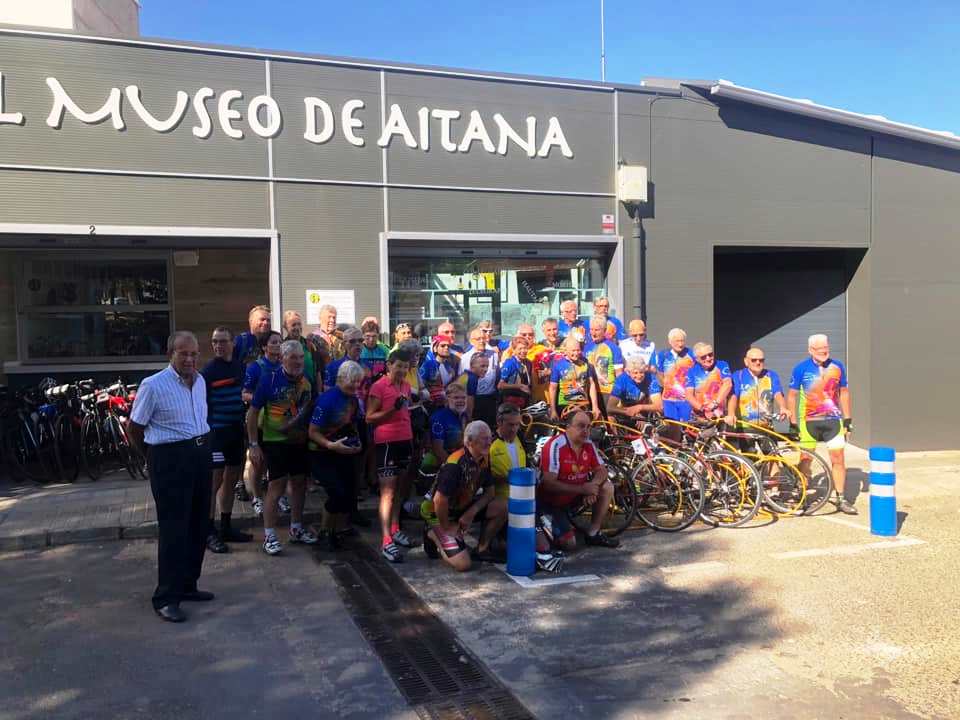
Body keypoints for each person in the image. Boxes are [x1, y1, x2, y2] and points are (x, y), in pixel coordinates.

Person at [128, 331, 214, 623]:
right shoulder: (153, 385)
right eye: (183, 353)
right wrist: (152, 458)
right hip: (170, 459)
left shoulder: (200, 381)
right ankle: (166, 598)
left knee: (199, 524)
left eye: (194, 354)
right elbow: (134, 428)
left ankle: (188, 585)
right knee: (174, 529)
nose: (189, 359)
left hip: (200, 454)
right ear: (170, 354)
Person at [246, 340, 318, 556]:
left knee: (299, 484)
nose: (298, 361)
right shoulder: (269, 379)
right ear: (282, 358)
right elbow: (252, 413)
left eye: (300, 357)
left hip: (299, 441)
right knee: (276, 486)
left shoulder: (306, 380)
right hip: (275, 441)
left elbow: (309, 409)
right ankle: (269, 536)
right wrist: (254, 444)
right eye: (293, 357)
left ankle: (296, 528)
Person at [421, 421, 507, 570]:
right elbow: (439, 500)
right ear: (469, 442)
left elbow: (490, 492)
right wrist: (447, 527)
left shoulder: (484, 458)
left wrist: (470, 513)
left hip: (460, 506)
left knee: (503, 506)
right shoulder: (455, 464)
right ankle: (432, 532)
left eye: (490, 438)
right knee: (463, 564)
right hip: (436, 512)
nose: (489, 442)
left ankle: (482, 549)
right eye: (483, 438)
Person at [787, 334, 856, 515]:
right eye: (819, 349)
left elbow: (844, 392)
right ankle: (801, 495)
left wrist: (848, 419)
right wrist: (792, 422)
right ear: (810, 350)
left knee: (838, 458)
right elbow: (792, 396)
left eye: (826, 348)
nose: (824, 352)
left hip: (833, 421)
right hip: (809, 421)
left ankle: (841, 498)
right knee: (805, 459)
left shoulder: (837, 366)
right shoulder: (801, 368)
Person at [200, 327, 253, 553]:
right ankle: (208, 531)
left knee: (232, 479)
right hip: (216, 433)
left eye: (222, 341)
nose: (218, 345)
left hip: (236, 431)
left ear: (232, 343)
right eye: (214, 341)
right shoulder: (208, 371)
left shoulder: (240, 367)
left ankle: (226, 526)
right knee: (214, 482)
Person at [537, 410, 619, 550]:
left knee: (607, 487)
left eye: (588, 427)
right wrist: (583, 489)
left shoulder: (588, 444)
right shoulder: (556, 445)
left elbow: (602, 470)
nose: (586, 431)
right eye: (581, 426)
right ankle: (548, 528)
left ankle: (593, 533)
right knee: (569, 544)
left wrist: (592, 486)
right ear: (568, 427)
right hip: (551, 502)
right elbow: (548, 484)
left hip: (574, 497)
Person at [366, 349, 419, 562]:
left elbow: (405, 409)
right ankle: (386, 539)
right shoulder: (378, 386)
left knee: (400, 489)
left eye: (405, 367)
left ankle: (395, 528)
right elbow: (369, 417)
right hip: (386, 442)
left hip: (405, 439)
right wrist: (391, 411)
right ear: (389, 365)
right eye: (398, 366)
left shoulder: (405, 385)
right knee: (387, 492)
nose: (402, 370)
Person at [308, 360, 364, 551]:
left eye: (358, 382)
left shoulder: (353, 399)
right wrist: (330, 445)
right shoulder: (327, 400)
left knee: (348, 492)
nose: (356, 386)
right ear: (340, 379)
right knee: (336, 493)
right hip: (321, 453)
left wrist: (357, 441)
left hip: (343, 451)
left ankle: (338, 529)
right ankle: (325, 532)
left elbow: (353, 424)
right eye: (353, 381)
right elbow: (313, 431)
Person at [240, 330, 282, 517]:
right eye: (273, 342)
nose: (277, 345)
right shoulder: (255, 367)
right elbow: (244, 393)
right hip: (259, 421)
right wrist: (263, 399)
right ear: (264, 346)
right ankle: (257, 497)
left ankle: (278, 496)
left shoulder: (284, 365)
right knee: (258, 462)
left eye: (279, 342)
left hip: (279, 422)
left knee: (276, 462)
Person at [725, 347, 788, 428]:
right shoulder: (738, 375)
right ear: (746, 361)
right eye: (754, 360)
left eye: (761, 360)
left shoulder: (771, 375)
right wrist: (731, 414)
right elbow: (733, 396)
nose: (758, 363)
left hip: (766, 427)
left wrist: (783, 407)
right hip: (744, 428)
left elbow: (778, 393)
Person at [547, 335, 601, 421]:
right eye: (573, 351)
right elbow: (553, 388)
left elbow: (592, 385)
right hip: (565, 405)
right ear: (566, 351)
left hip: (583, 404)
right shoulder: (558, 365)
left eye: (578, 350)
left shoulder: (586, 365)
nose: (576, 353)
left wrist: (595, 407)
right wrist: (553, 410)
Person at [653, 328, 696, 424]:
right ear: (670, 341)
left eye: (682, 341)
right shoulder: (663, 354)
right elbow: (660, 373)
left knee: (686, 426)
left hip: (686, 399)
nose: (680, 344)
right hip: (668, 400)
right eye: (677, 341)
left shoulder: (691, 354)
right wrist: (667, 387)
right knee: (671, 425)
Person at [460, 326, 499, 428]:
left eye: (483, 338)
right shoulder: (465, 358)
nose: (482, 341)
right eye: (478, 339)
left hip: (489, 399)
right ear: (471, 341)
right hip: (473, 399)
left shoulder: (494, 355)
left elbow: (496, 375)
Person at [685, 342, 733, 420]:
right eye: (703, 357)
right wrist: (702, 408)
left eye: (710, 354)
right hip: (700, 415)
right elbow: (688, 394)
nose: (708, 358)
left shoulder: (722, 365)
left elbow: (728, 384)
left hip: (719, 414)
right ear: (697, 359)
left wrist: (714, 404)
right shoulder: (692, 371)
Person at [489, 403, 526, 502]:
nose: (514, 429)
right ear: (499, 422)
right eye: (510, 425)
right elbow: (481, 478)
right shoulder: (489, 442)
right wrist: (505, 478)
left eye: (517, 424)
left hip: (522, 496)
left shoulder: (520, 437)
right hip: (500, 500)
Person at [427, 382, 469, 467]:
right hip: (438, 465)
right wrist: (453, 467)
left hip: (458, 459)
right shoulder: (438, 418)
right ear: (447, 399)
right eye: (456, 397)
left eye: (463, 397)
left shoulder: (464, 416)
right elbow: (438, 450)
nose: (461, 401)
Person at [583, 315, 624, 397]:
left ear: (604, 330)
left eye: (597, 330)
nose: (593, 333)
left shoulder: (613, 348)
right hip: (590, 391)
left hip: (607, 392)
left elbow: (619, 374)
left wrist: (620, 395)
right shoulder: (586, 347)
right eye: (591, 329)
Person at [283, 310, 322, 390]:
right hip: (289, 391)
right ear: (286, 327)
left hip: (311, 391)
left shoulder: (310, 346)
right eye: (293, 325)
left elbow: (317, 372)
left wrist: (319, 392)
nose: (297, 328)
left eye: (299, 324)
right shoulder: (282, 347)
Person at [527, 318, 562, 404]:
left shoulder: (565, 343)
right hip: (546, 390)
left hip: (563, 388)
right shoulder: (539, 346)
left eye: (554, 329)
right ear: (543, 331)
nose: (552, 333)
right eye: (549, 330)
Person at [419, 335, 460, 406]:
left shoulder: (449, 366)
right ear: (435, 348)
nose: (446, 348)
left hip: (447, 402)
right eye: (442, 346)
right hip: (432, 404)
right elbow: (421, 384)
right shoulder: (428, 364)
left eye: (448, 346)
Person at [497, 334, 532, 409]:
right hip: (510, 401)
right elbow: (500, 385)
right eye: (520, 349)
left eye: (525, 348)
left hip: (524, 399)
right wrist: (519, 386)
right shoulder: (509, 363)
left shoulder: (528, 363)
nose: (523, 351)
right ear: (514, 350)